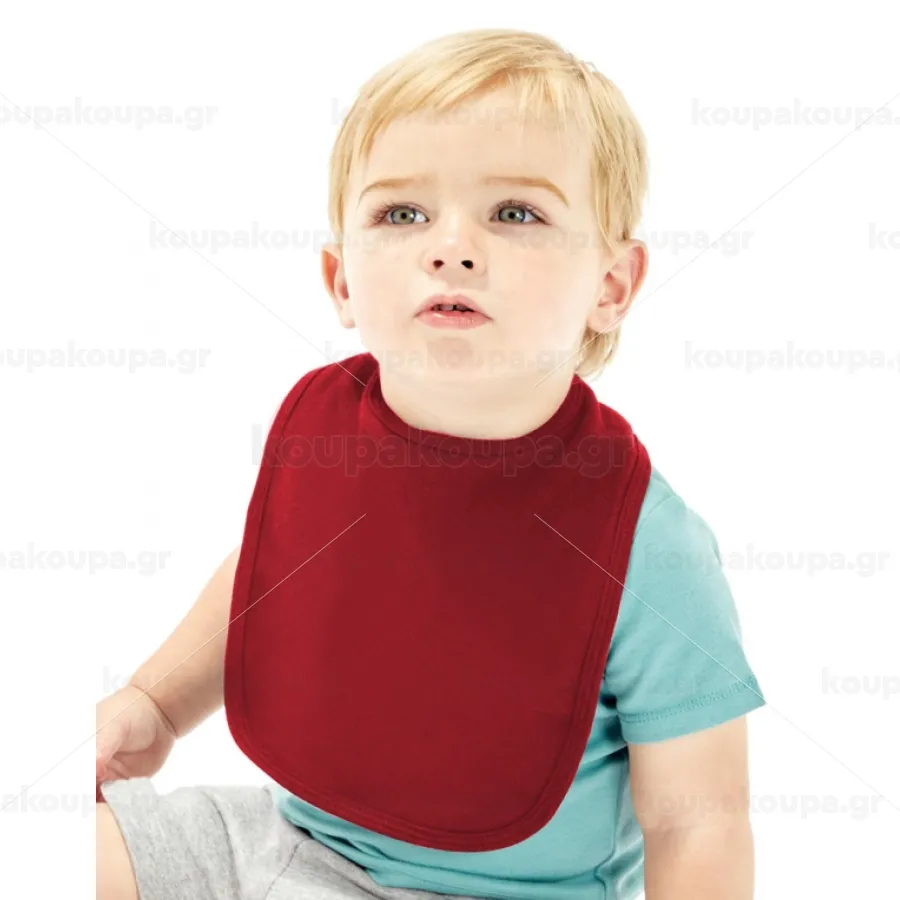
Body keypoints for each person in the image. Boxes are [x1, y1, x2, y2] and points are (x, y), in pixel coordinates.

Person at [96, 27, 765, 900]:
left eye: (515, 213)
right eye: (401, 214)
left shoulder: (644, 541)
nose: (450, 248)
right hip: (286, 836)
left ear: (612, 286)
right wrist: (154, 704)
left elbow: (698, 820)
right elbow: (267, 577)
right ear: (340, 279)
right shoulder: (323, 433)